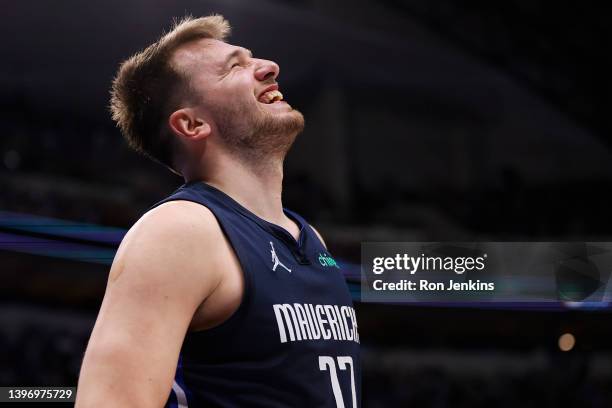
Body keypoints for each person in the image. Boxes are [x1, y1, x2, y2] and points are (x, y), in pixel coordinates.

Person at [76, 15, 361, 407]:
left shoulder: (310, 237)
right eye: (235, 67)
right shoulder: (180, 232)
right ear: (192, 124)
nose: (269, 66)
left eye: (251, 57)